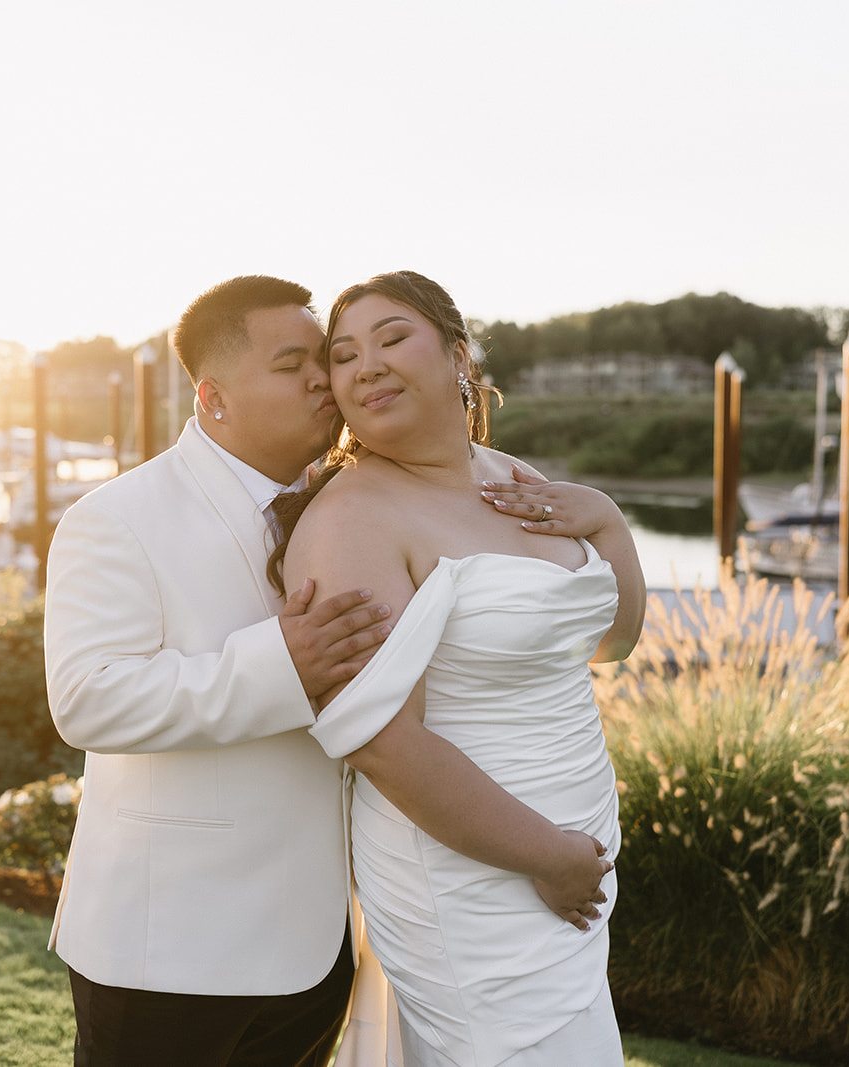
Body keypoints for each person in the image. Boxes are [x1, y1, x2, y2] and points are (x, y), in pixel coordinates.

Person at [45, 275, 625, 1066]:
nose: (329, 379)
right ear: (213, 397)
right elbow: (87, 700)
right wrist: (280, 663)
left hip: (317, 947)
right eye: (299, 364)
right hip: (168, 943)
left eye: (328, 359)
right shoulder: (118, 516)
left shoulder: (346, 494)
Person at [275, 270, 646, 1066]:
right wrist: (544, 855)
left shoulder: (509, 477)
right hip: (468, 871)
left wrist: (611, 525)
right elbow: (378, 739)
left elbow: (610, 644)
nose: (366, 365)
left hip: (573, 850)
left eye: (392, 337)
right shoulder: (351, 519)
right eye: (343, 355)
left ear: (457, 355)